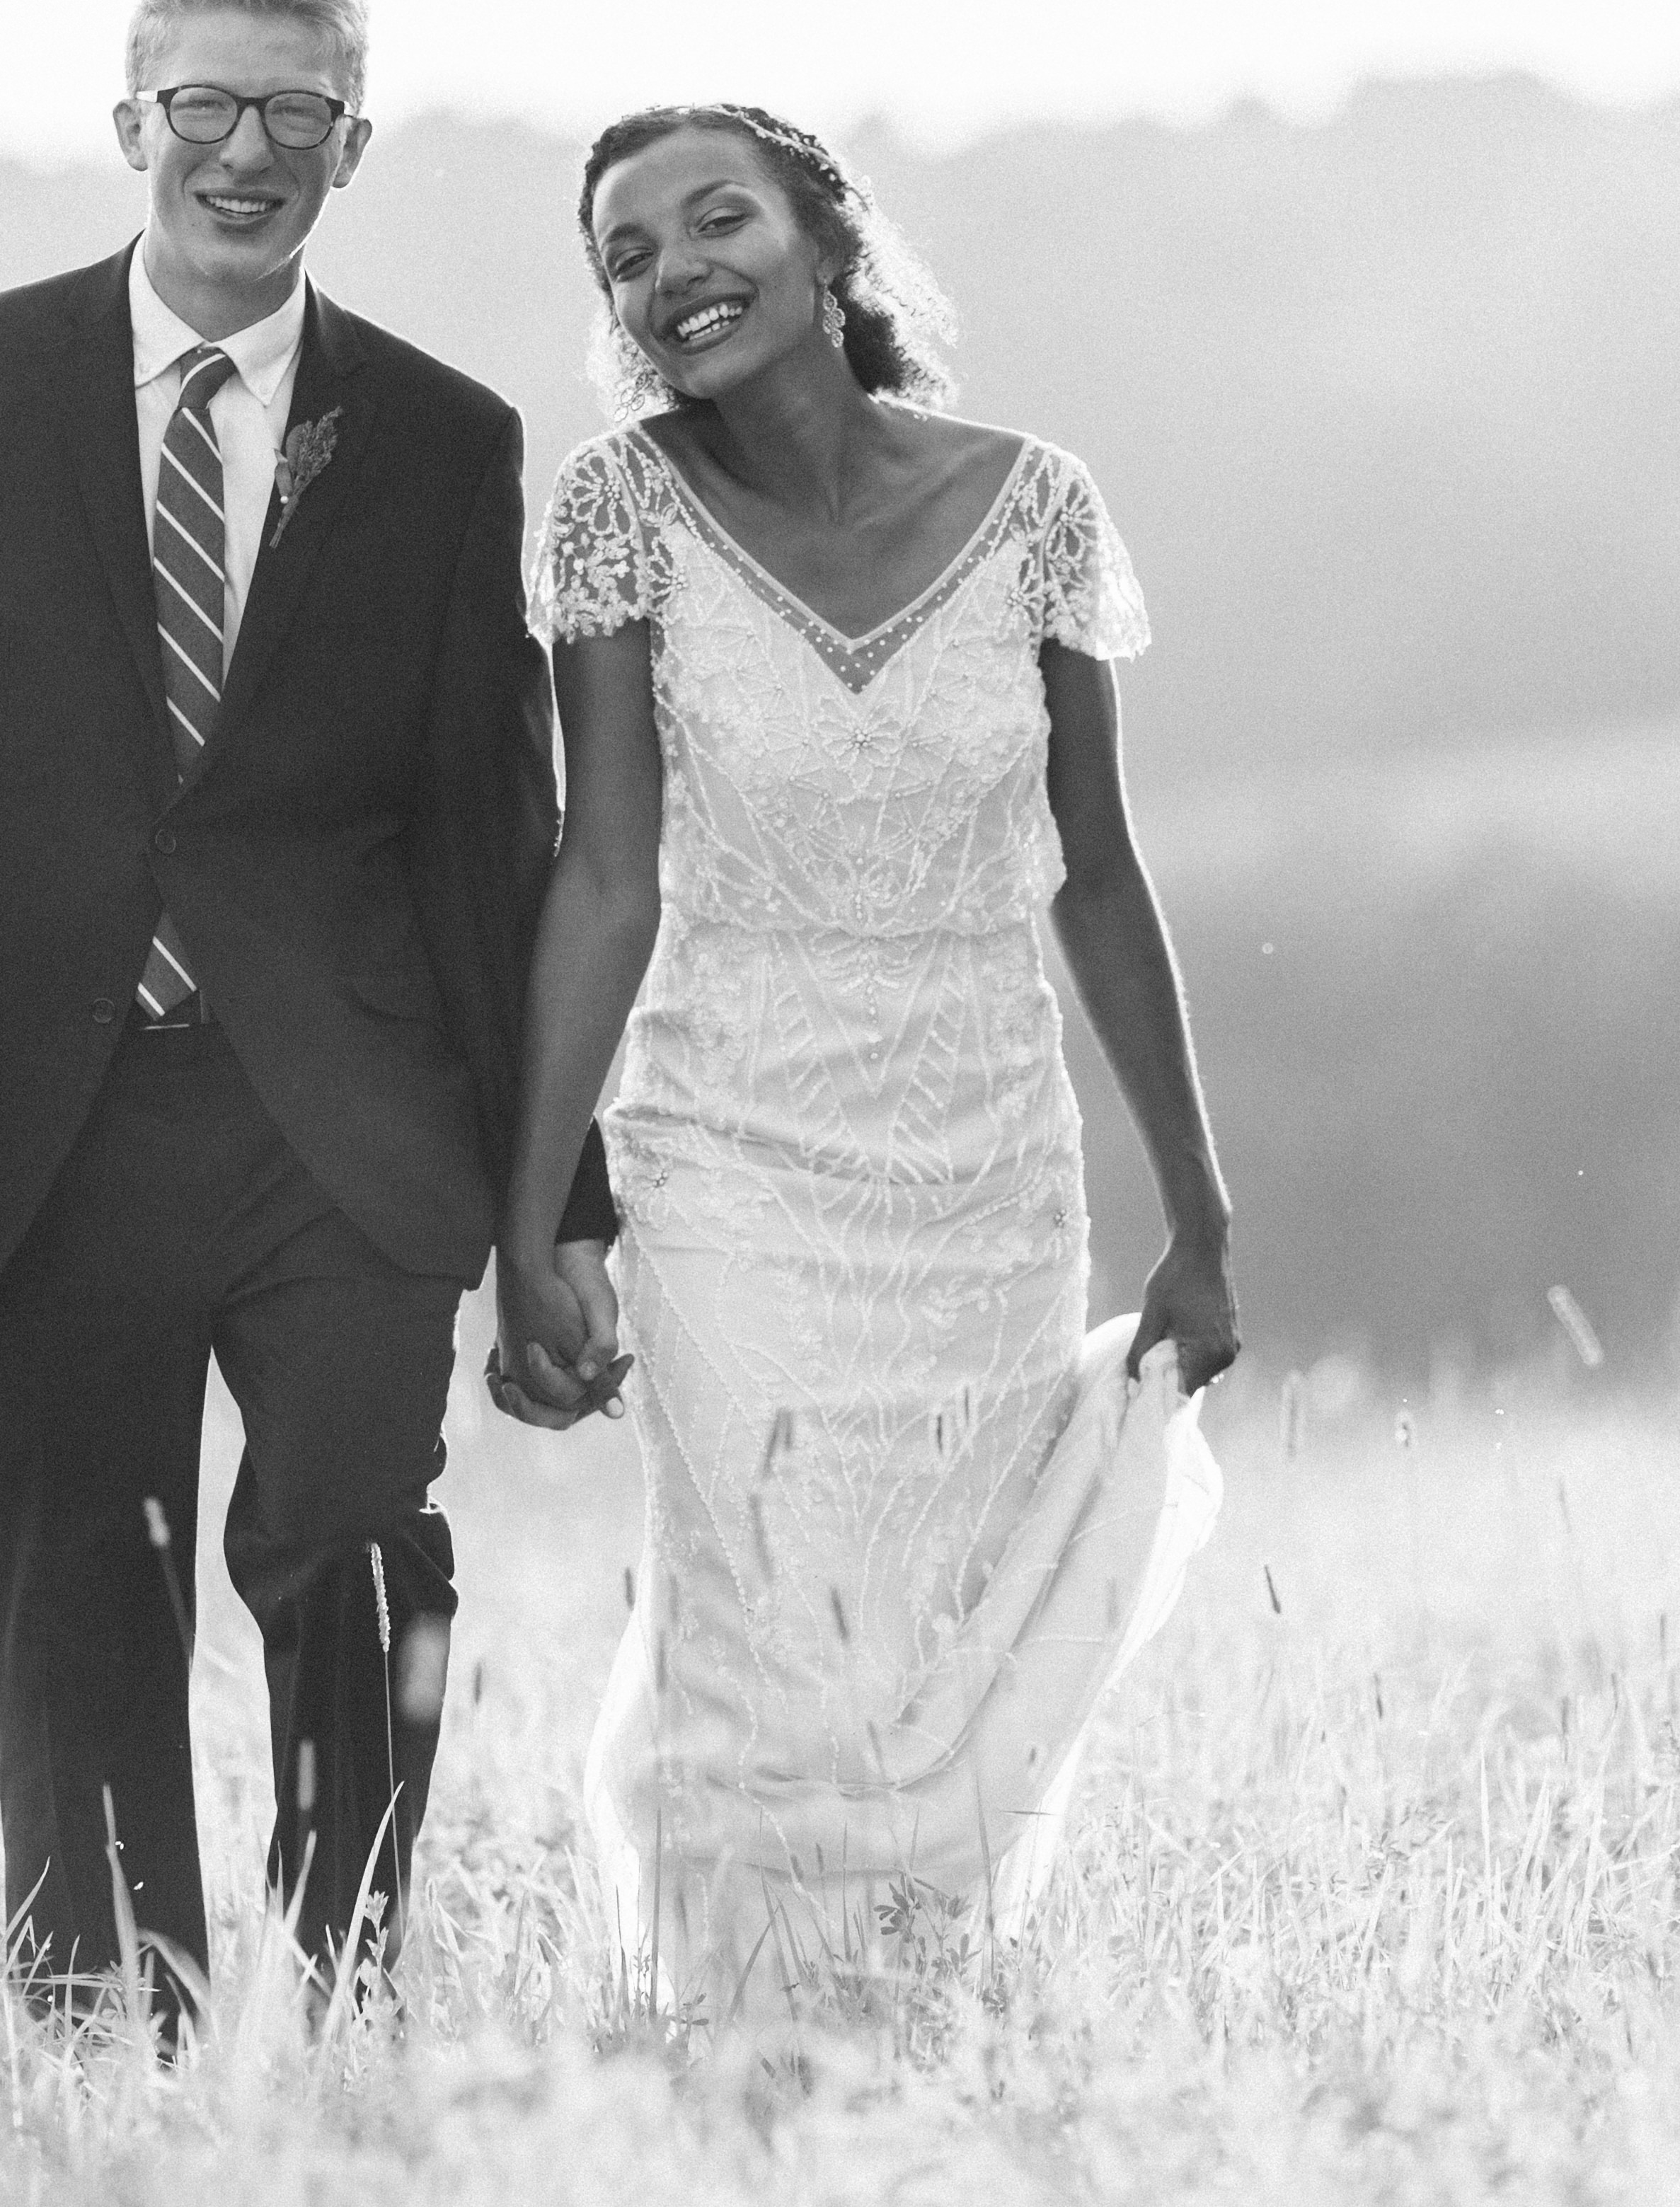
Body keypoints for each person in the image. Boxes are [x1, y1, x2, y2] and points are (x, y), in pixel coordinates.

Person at [0, 0, 611, 2033]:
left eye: (296, 115)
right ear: (132, 122)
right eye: (203, 106)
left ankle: (353, 2017)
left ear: (352, 149)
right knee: (77, 1628)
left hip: (346, 1131)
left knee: (358, 1554)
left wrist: (555, 1221)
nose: (245, 152)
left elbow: (498, 842)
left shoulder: (440, 440)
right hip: (43, 1121)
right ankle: (123, 2073)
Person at [497, 102, 1238, 2009]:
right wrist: (527, 1225)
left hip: (984, 1173)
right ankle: (740, 2052)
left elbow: (1097, 872)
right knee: (761, 1634)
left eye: (713, 219)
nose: (675, 273)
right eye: (630, 256)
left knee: (932, 1643)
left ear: (831, 245)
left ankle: (898, 2040)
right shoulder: (616, 510)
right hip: (723, 1154)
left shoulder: (1037, 505)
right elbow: (601, 880)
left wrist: (1202, 1215)